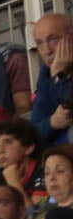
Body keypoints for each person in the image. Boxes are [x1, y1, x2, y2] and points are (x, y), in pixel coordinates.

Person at [31, 13, 73, 145]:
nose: (47, 51)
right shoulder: (45, 74)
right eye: (40, 43)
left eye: (53, 40)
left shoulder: (54, 72)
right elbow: (33, 131)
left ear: (71, 38)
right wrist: (52, 122)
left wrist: (59, 76)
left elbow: (69, 108)